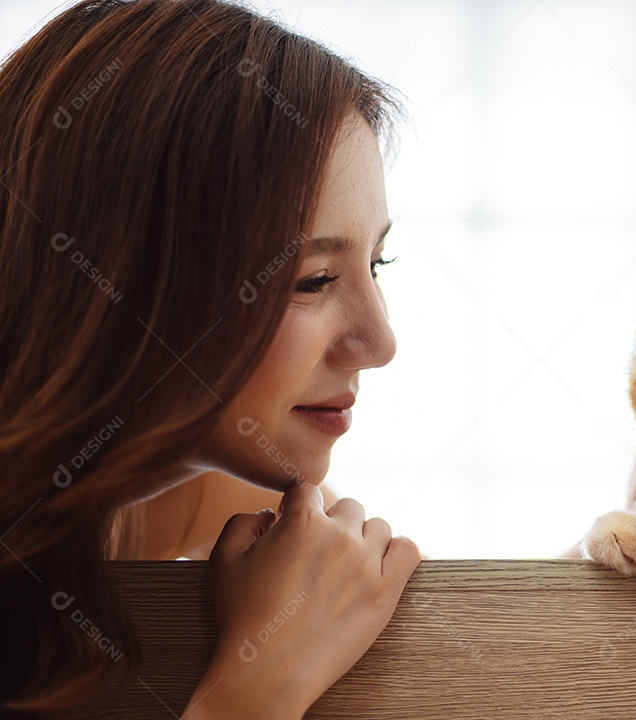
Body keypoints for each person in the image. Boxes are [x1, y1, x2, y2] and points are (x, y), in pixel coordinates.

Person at [0, 1, 422, 716]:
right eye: (312, 280)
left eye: (376, 265)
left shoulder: (212, 493)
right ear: (124, 282)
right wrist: (260, 684)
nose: (380, 345)